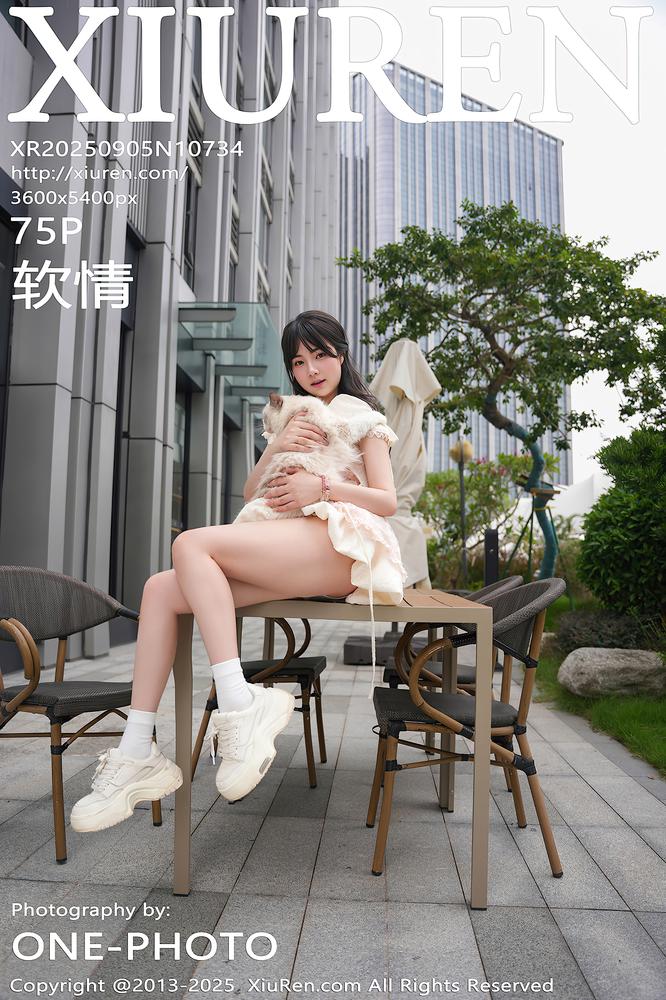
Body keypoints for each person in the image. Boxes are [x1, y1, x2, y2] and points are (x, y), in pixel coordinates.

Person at [70, 309, 407, 833]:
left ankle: (239, 701)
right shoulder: (289, 417)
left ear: (341, 355)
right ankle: (137, 750)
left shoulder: (362, 415)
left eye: (320, 356)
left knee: (191, 544)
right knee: (160, 589)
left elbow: (387, 500)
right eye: (299, 362)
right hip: (292, 541)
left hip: (342, 542)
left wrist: (321, 487)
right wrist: (277, 447)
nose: (311, 370)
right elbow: (253, 493)